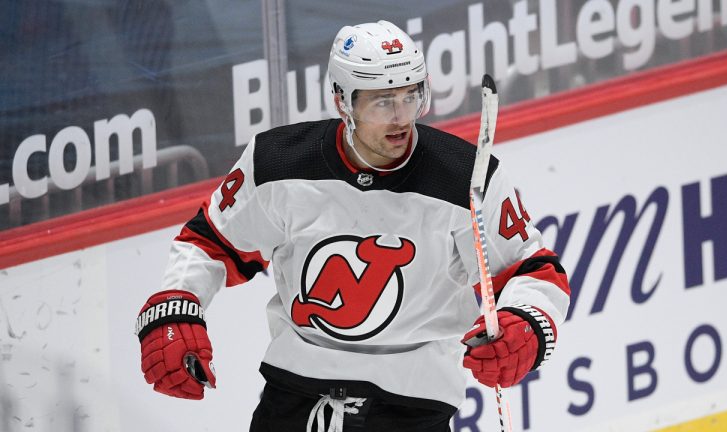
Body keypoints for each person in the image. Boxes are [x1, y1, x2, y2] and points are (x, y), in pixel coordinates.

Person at [134, 20, 570, 432]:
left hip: (412, 405)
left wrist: (526, 323)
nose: (402, 117)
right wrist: (177, 301)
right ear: (343, 101)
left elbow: (532, 269)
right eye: (382, 102)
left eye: (411, 96)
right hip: (295, 395)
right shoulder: (278, 163)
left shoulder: (465, 176)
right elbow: (210, 243)